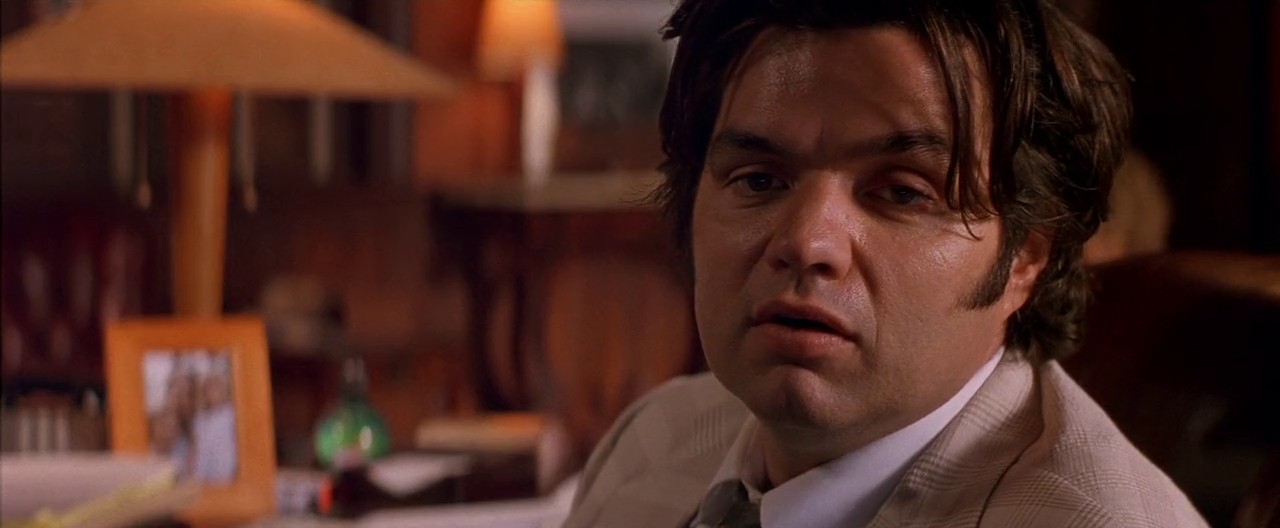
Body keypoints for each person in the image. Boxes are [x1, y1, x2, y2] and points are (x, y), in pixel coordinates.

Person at [562, 1, 1207, 527]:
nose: (807, 242)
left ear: (1025, 258)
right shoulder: (655, 437)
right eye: (759, 180)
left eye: (902, 192)